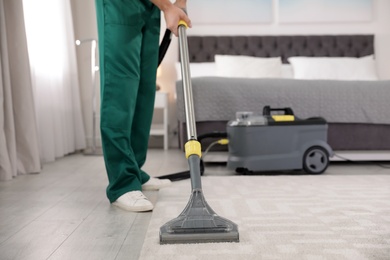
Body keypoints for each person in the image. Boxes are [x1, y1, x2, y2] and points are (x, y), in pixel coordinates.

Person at [95, 0, 191, 212]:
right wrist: (168, 7)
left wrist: (180, 4)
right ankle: (122, 184)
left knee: (144, 88)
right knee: (121, 89)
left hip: (150, 6)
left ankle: (134, 170)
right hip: (119, 6)